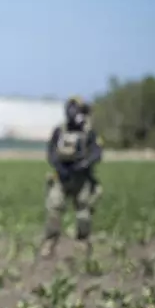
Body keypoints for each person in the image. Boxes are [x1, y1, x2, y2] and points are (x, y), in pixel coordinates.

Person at [38, 96, 103, 259]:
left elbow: (96, 153)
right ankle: (49, 245)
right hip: (61, 178)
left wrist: (83, 164)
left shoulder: (88, 133)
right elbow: (51, 152)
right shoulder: (59, 131)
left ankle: (82, 245)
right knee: (54, 208)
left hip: (81, 179)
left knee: (83, 213)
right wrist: (60, 167)